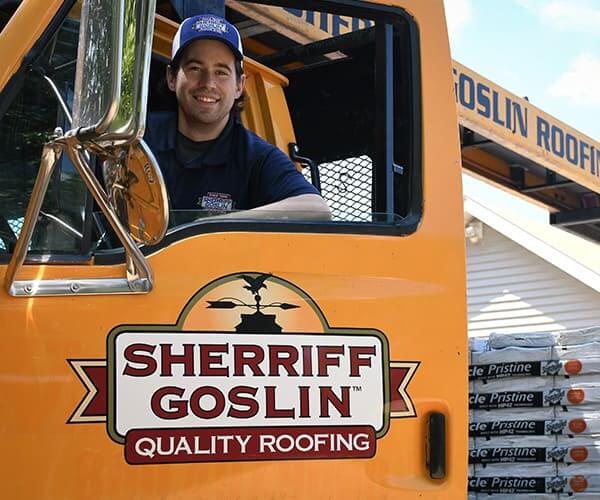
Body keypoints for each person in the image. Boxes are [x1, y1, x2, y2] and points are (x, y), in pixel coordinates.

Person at [144, 14, 330, 220]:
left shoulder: (255, 156)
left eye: (221, 72)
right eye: (195, 68)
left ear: (239, 85)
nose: (208, 83)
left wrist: (212, 227)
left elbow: (316, 209)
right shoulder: (136, 136)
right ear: (171, 77)